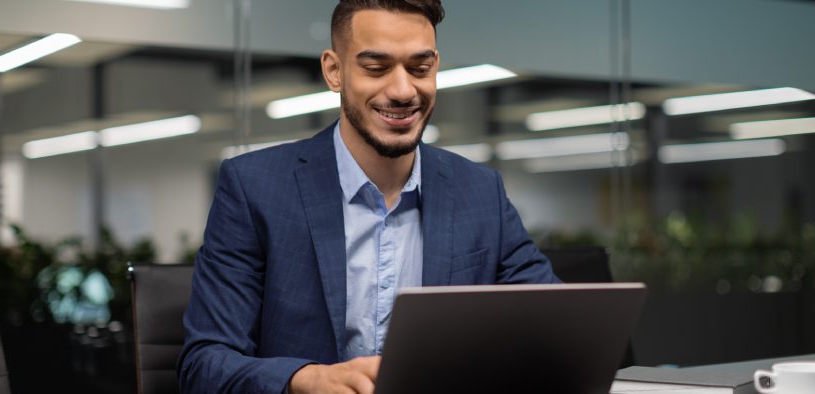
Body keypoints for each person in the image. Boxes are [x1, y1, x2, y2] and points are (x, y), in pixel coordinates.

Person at [178, 1, 561, 393]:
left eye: (419, 68)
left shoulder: (479, 190)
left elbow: (559, 327)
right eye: (376, 67)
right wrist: (304, 380)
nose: (402, 90)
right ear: (334, 70)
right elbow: (205, 365)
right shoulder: (255, 188)